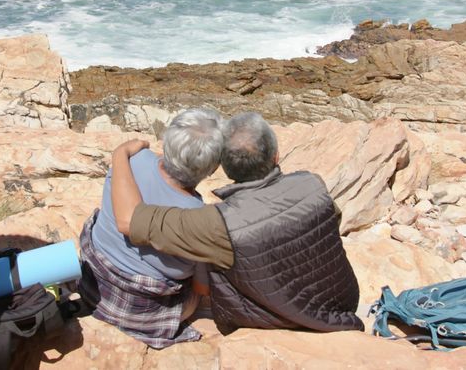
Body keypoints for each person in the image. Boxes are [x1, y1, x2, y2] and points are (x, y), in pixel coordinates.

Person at [110, 112, 364, 335]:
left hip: (285, 318)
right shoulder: (312, 183)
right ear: (276, 155)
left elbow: (130, 220)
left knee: (205, 260)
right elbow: (332, 224)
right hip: (345, 301)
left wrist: (120, 154)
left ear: (225, 169)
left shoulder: (216, 222)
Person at [77, 108, 224, 348]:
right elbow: (197, 285)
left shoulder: (133, 160)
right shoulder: (197, 217)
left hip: (92, 283)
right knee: (198, 283)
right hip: (141, 314)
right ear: (212, 168)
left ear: (166, 141)